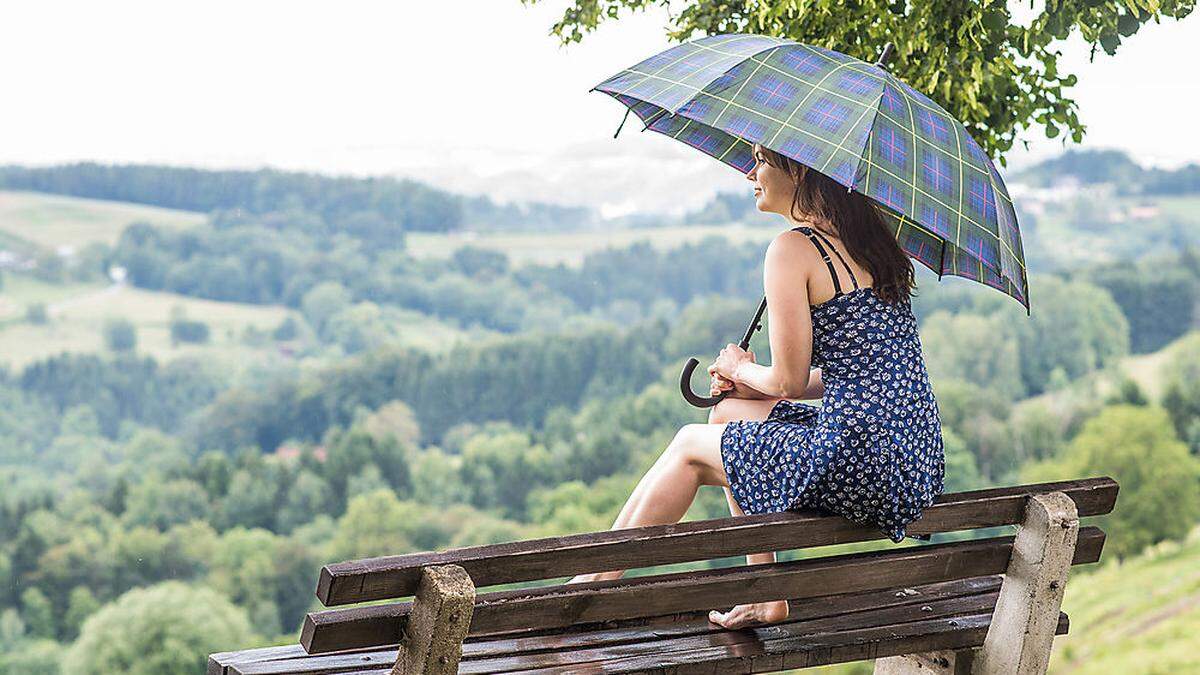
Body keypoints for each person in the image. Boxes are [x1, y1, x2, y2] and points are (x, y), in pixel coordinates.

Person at [565, 141, 945, 630]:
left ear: (800, 171)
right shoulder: (872, 244)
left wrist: (741, 368)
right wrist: (751, 390)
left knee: (687, 446)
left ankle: (582, 592)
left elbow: (786, 378)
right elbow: (849, 374)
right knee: (725, 417)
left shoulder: (793, 248)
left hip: (859, 461)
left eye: (763, 161)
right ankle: (767, 594)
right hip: (910, 462)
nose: (751, 173)